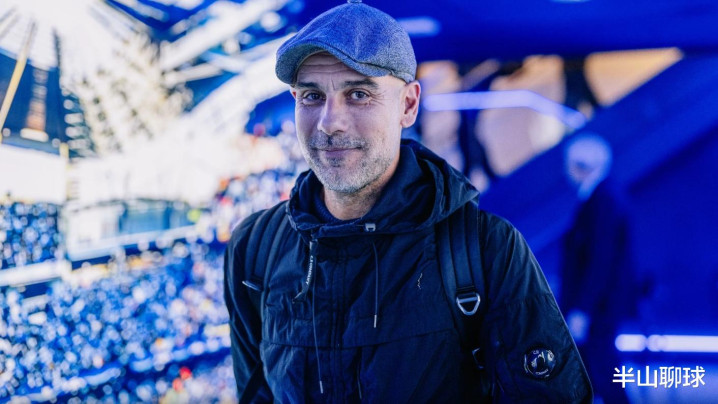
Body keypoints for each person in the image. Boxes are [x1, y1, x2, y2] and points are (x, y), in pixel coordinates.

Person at [224, 1, 592, 402]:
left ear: (409, 105)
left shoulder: (485, 251)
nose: (330, 122)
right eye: (312, 96)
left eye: (359, 94)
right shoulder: (255, 249)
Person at [561, 133, 633, 404]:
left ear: (580, 166)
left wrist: (583, 309)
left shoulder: (602, 201)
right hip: (599, 306)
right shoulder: (602, 197)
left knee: (603, 372)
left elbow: (600, 260)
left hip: (598, 308)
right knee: (594, 373)